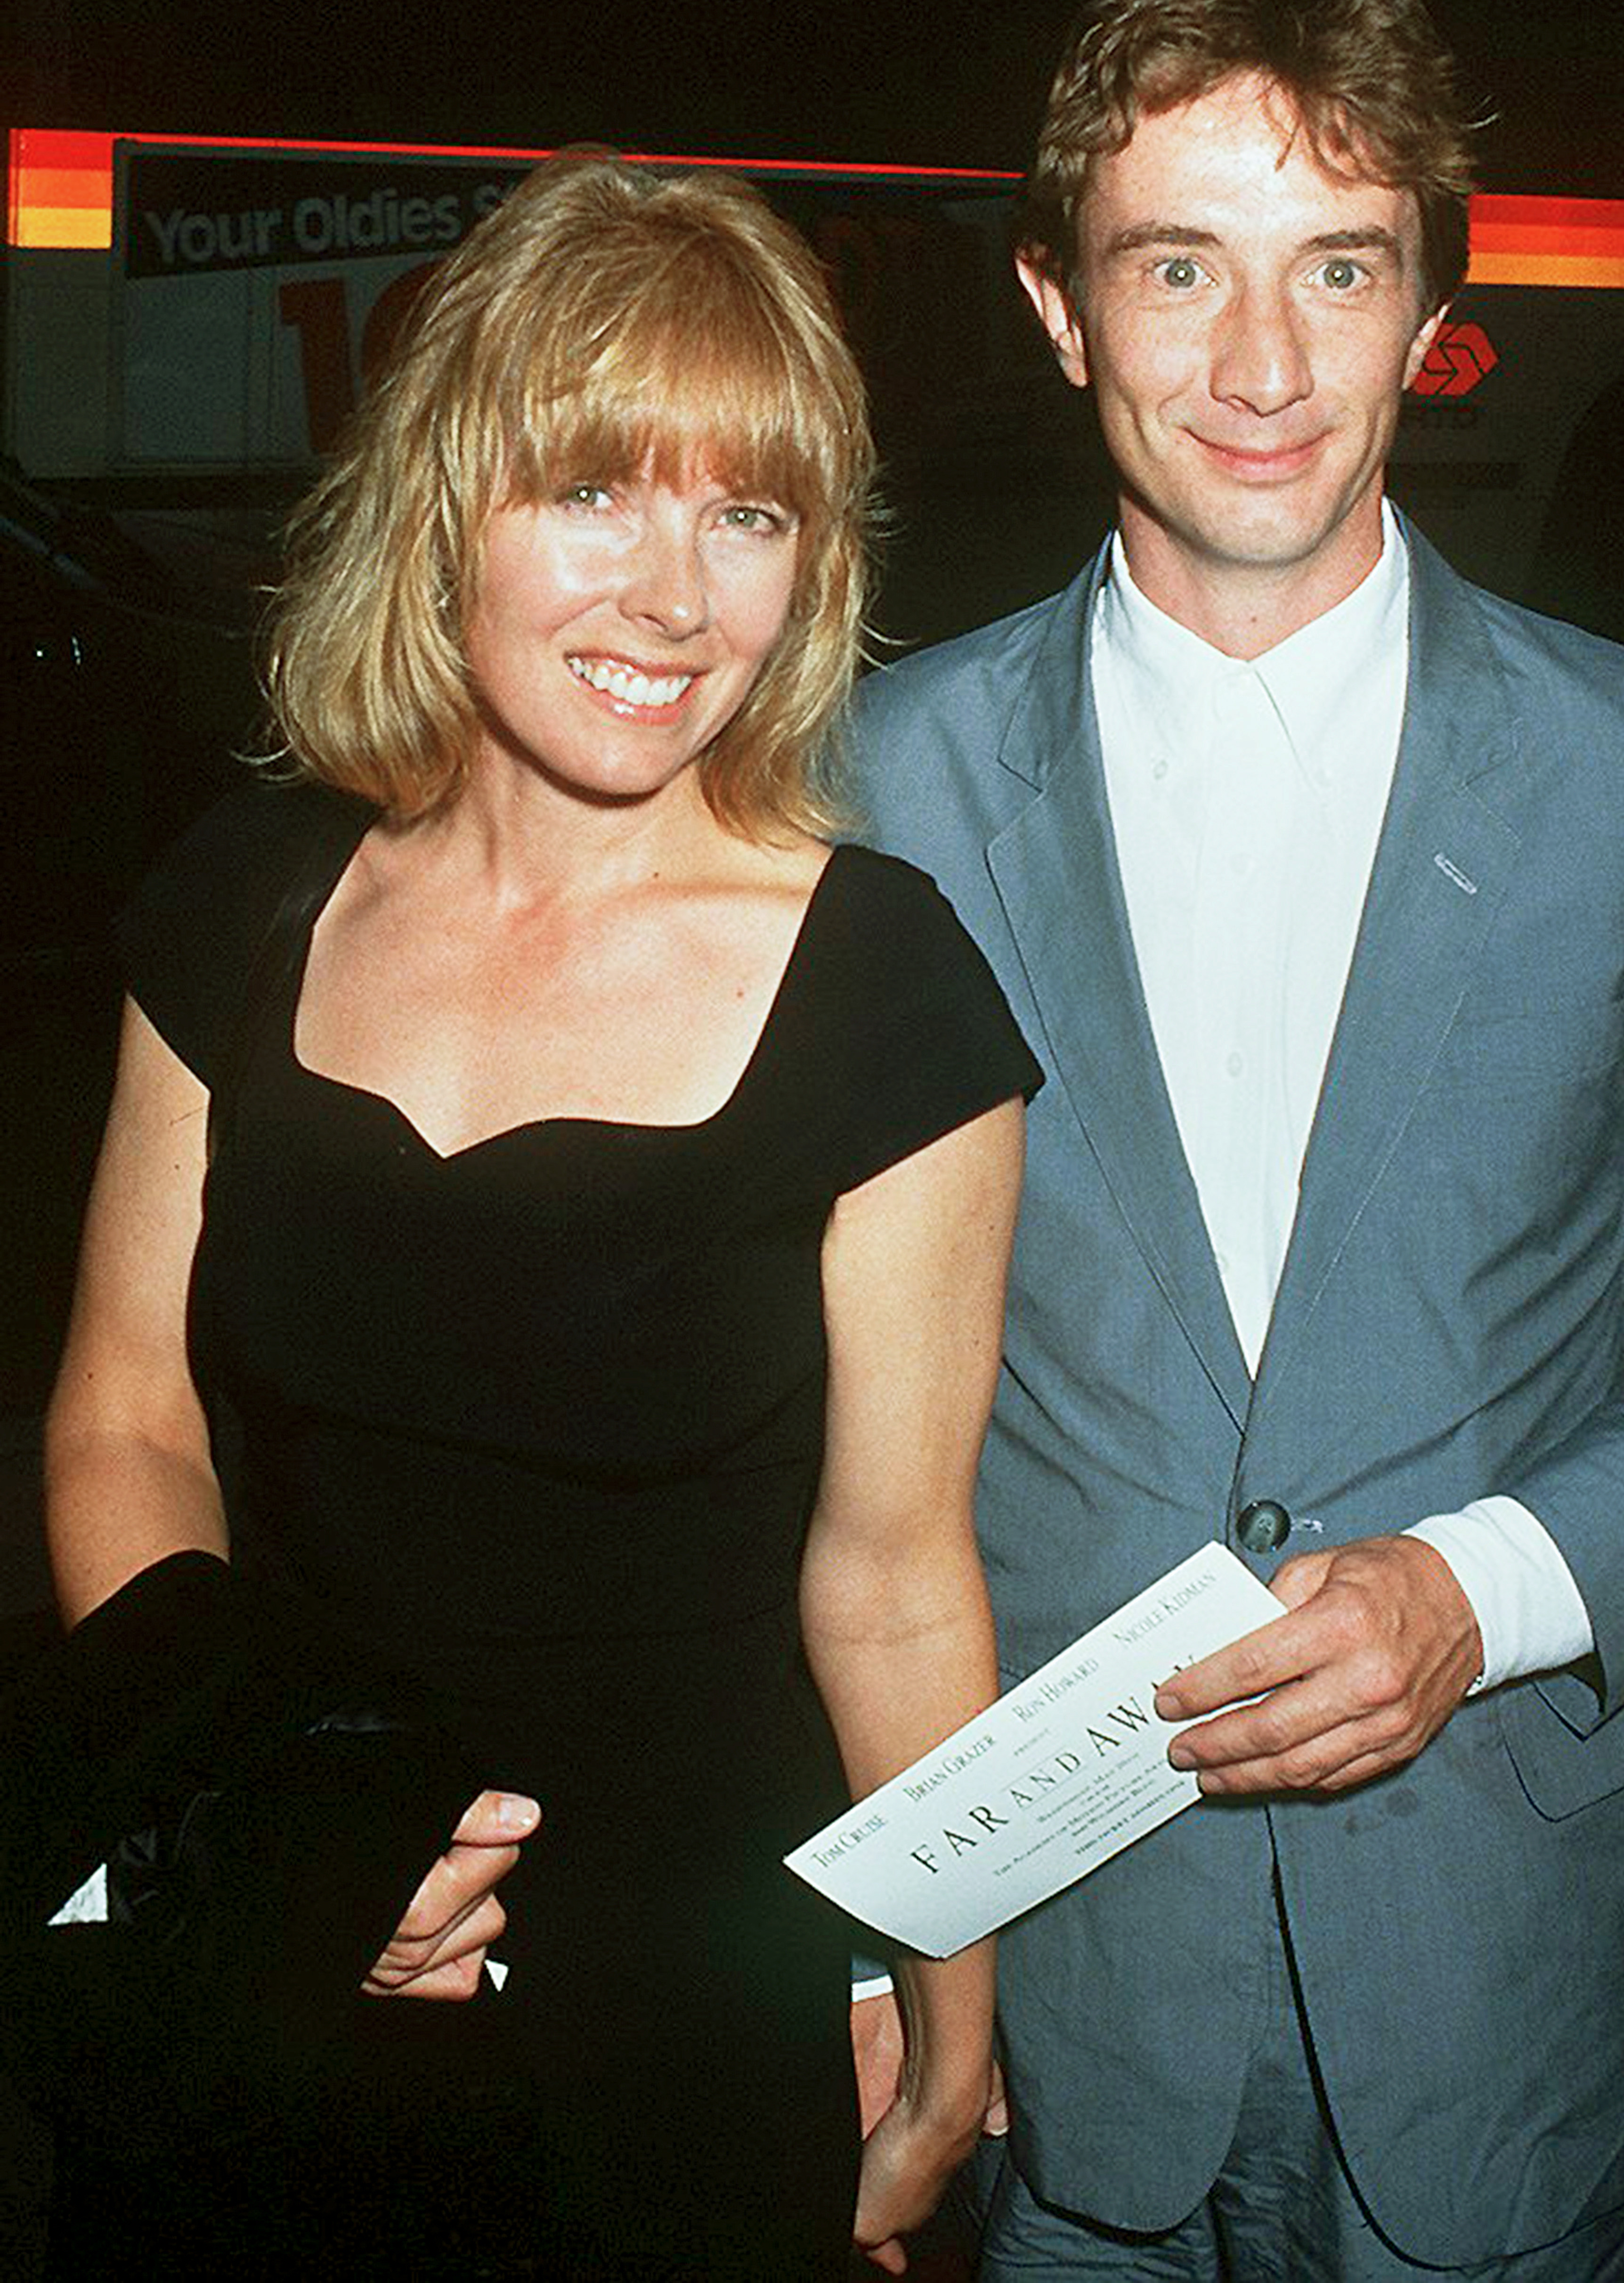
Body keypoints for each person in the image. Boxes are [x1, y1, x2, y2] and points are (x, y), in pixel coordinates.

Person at [851, 0, 1624, 2283]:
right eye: (1178, 267)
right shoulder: (859, 793)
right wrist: (869, 1944)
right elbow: (784, 1422)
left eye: (1337, 268)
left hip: (1502, 1978)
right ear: (1062, 312)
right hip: (1047, 1992)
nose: (1261, 366)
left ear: (1425, 311)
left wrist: (1479, 1595)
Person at [43, 150, 1040, 2277]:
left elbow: (891, 1576)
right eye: (596, 489)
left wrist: (947, 2008)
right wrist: (266, 1835)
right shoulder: (245, 896)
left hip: (683, 2012)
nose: (676, 596)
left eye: (747, 515)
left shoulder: (886, 985)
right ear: (443, 502)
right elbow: (127, 1422)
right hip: (265, 1942)